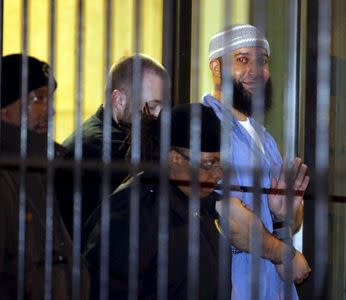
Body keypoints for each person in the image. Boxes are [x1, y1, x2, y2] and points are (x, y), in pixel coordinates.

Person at [203, 24, 310, 299]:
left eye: (262, 61)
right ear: (216, 68)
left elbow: (291, 221)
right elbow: (230, 220)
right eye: (242, 59)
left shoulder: (266, 139)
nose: (255, 70)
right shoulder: (205, 128)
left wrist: (281, 215)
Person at [84, 103, 228, 299]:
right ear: (174, 157)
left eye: (220, 163)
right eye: (209, 164)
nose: (218, 174)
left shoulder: (205, 207)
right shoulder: (133, 212)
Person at [0, 54, 89, 299]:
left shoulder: (44, 169)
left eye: (51, 99)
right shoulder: (8, 177)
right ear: (4, 108)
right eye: (37, 98)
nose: (50, 110)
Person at [58, 54, 170, 235]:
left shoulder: (103, 135)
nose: (159, 115)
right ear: (119, 100)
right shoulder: (105, 148)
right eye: (153, 105)